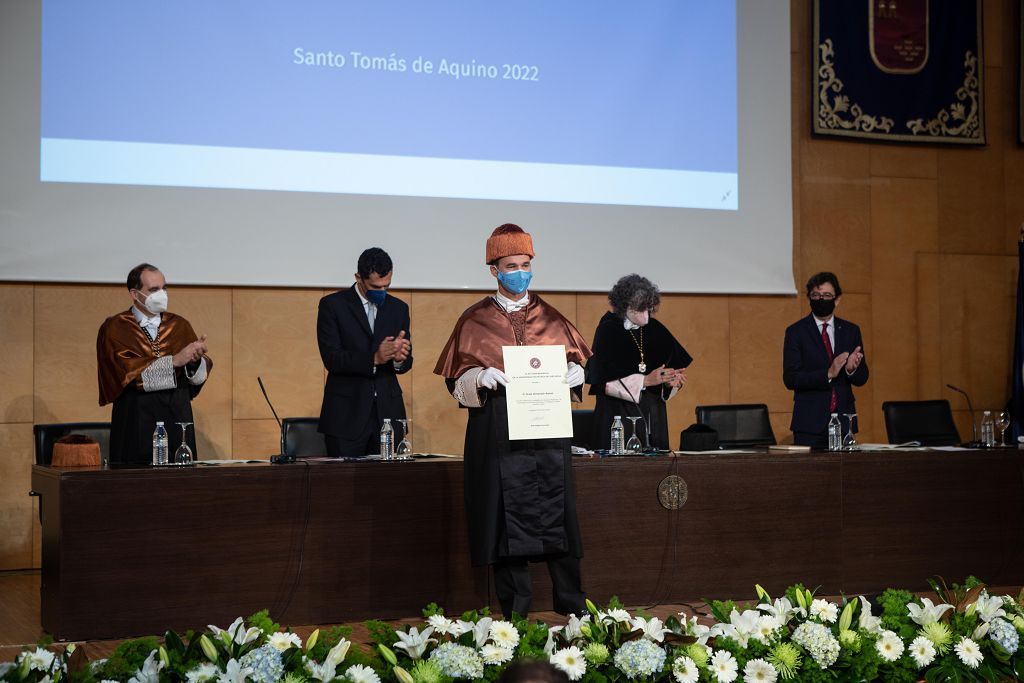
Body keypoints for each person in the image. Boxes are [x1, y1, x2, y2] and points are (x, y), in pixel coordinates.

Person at [434, 223, 592, 618]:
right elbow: (455, 382)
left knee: (559, 513)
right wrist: (479, 377)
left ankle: (573, 609)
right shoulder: (474, 320)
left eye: (525, 264)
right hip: (499, 434)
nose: (519, 272)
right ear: (494, 270)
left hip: (547, 436)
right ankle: (516, 616)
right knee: (505, 520)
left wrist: (578, 374)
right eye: (511, 265)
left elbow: (576, 360)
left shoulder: (553, 318)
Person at [97, 263, 212, 464]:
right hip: (136, 418)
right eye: (153, 290)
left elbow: (191, 377)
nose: (162, 294)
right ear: (134, 293)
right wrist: (174, 361)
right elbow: (128, 374)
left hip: (176, 414)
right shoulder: (115, 327)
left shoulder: (179, 325)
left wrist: (194, 361)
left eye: (164, 288)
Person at [317, 247, 412, 457]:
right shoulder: (333, 306)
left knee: (388, 485)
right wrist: (375, 358)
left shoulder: (399, 308)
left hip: (388, 414)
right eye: (375, 286)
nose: (382, 291)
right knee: (342, 485)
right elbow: (332, 358)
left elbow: (405, 361)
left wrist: (399, 359)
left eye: (387, 286)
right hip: (346, 416)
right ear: (358, 278)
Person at [586, 274, 692, 450]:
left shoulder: (655, 329)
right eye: (639, 309)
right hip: (617, 416)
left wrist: (670, 383)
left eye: (648, 309)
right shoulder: (608, 329)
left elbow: (666, 376)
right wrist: (644, 381)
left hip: (652, 417)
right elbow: (602, 381)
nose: (645, 316)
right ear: (625, 306)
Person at [783, 271, 868, 447]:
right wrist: (828, 373)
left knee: (845, 474)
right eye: (816, 295)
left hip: (845, 423)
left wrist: (851, 369)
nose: (821, 300)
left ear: (837, 299)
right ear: (809, 299)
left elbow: (862, 378)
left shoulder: (851, 331)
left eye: (827, 295)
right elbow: (791, 378)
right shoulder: (796, 332)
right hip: (809, 424)